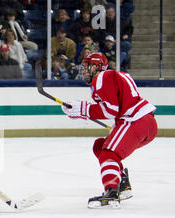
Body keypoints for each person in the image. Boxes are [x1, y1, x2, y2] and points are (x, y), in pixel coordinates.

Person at [61, 52, 158, 209]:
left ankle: (112, 193)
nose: (84, 70)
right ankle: (122, 183)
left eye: (87, 66)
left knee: (109, 153)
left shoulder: (102, 77)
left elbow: (110, 110)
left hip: (135, 121)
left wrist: (83, 109)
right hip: (145, 124)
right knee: (100, 146)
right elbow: (119, 107)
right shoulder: (115, 75)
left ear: (97, 66)